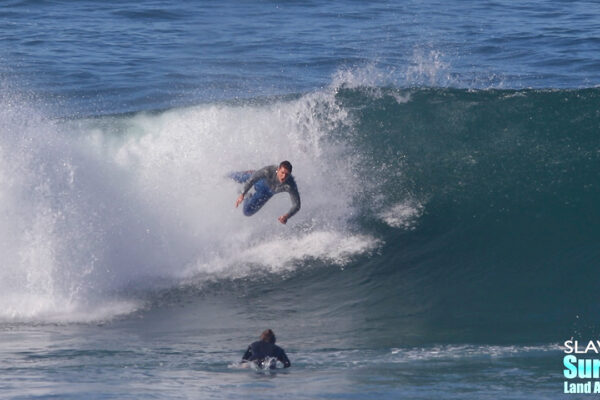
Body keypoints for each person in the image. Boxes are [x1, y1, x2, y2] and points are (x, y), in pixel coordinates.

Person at [231, 161, 300, 224]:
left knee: (247, 212)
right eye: (282, 172)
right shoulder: (268, 171)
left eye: (287, 174)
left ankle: (248, 196)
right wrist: (242, 194)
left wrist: (286, 216)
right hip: (258, 181)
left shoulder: (290, 185)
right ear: (278, 170)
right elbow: (252, 180)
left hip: (266, 194)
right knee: (234, 176)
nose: (284, 176)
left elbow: (296, 205)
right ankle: (226, 175)